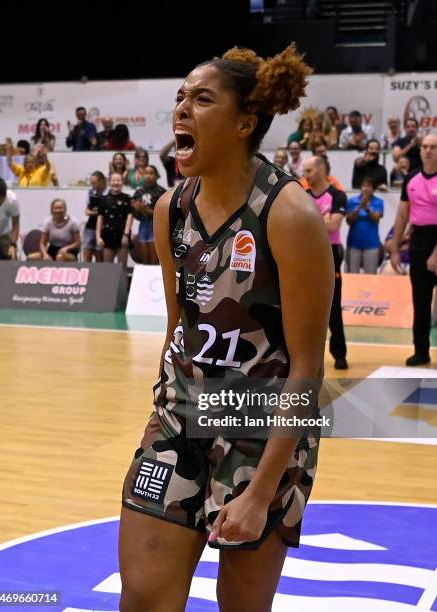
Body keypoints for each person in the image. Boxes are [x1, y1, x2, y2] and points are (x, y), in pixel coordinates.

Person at [119, 45, 334, 612]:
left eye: (202, 99)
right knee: (142, 597)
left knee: (239, 605)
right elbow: (177, 325)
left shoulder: (290, 215)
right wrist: (163, 413)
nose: (182, 110)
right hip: (179, 415)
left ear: (244, 122)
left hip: (262, 430)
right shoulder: (171, 208)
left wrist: (262, 491)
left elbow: (309, 371)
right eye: (180, 99)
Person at [390, 134, 437, 366]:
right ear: (420, 151)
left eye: (433, 147)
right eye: (425, 147)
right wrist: (395, 249)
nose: (428, 150)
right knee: (420, 300)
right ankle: (421, 350)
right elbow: (402, 215)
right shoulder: (411, 179)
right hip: (419, 241)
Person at [303, 155, 348, 369]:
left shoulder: (337, 195)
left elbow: (334, 227)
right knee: (304, 307)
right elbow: (298, 225)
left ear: (321, 170)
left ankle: (339, 354)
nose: (305, 175)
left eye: (309, 170)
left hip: (330, 253)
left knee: (333, 307)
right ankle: (306, 357)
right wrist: (323, 218)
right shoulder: (302, 196)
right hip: (307, 252)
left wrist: (310, 220)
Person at [346, 178, 384, 274]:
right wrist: (359, 207)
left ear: (373, 189)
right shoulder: (352, 201)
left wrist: (367, 208)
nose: (366, 189)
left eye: (369, 186)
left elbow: (376, 219)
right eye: (364, 186)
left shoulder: (378, 202)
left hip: (371, 244)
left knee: (370, 275)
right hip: (353, 243)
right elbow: (349, 221)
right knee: (352, 276)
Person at [96, 173, 133, 267]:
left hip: (122, 236)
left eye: (118, 180)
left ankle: (124, 282)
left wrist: (126, 234)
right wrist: (98, 236)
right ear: (109, 182)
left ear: (122, 182)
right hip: (107, 236)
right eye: (113, 180)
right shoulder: (103, 199)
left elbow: (130, 216)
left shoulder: (128, 198)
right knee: (108, 267)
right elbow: (100, 218)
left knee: (122, 267)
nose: (116, 183)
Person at [131, 165, 166, 264]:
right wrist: (137, 210)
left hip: (156, 226)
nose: (148, 176)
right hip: (143, 226)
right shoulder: (139, 192)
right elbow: (136, 216)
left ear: (156, 176)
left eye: (151, 173)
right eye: (146, 173)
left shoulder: (161, 192)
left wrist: (146, 210)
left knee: (155, 260)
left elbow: (163, 214)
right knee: (145, 259)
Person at [83, 171, 107, 263]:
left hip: (102, 227)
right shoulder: (90, 192)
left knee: (99, 254)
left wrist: (98, 212)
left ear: (101, 181)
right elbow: (87, 210)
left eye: (94, 183)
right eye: (91, 183)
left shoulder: (108, 193)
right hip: (90, 226)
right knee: (87, 251)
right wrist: (95, 212)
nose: (93, 185)